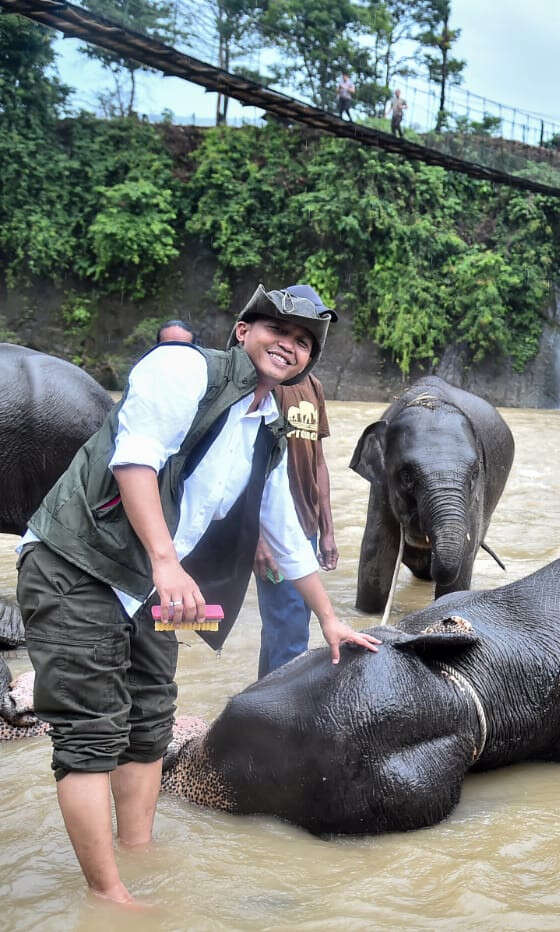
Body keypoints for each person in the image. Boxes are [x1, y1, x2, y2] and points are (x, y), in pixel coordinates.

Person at [15, 285, 380, 904]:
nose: (288, 346)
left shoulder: (267, 426)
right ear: (243, 331)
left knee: (150, 718)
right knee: (90, 733)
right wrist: (166, 564)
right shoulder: (182, 368)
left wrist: (329, 619)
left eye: (303, 342)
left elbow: (284, 528)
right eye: (278, 331)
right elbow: (136, 461)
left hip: (150, 586)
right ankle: (109, 897)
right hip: (77, 565)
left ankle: (138, 851)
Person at [253, 284, 340, 679]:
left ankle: (260, 706)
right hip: (274, 528)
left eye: (308, 336)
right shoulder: (266, 384)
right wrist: (259, 536)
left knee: (287, 628)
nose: (294, 346)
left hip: (304, 526)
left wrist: (327, 530)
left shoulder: (313, 386)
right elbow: (245, 467)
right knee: (289, 632)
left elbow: (318, 461)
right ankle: (280, 723)